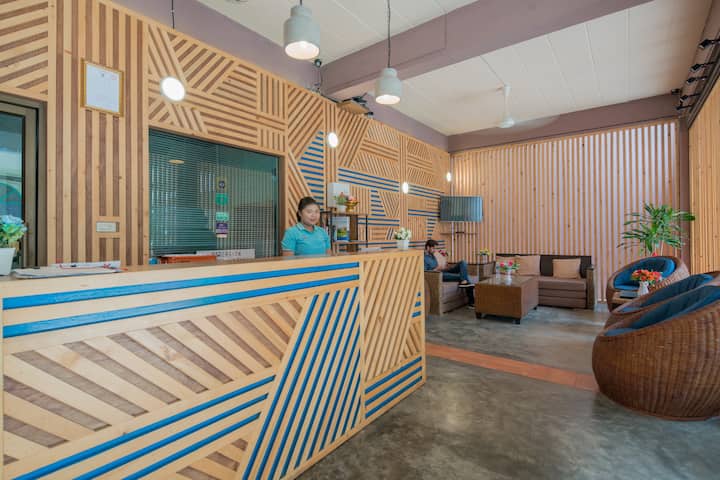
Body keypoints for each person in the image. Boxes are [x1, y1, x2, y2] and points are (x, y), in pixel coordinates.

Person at [424, 239, 475, 306]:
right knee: (465, 277)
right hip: (439, 274)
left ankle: (464, 281)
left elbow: (438, 265)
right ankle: (471, 301)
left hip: (443, 270)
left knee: (463, 262)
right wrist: (437, 269)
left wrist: (444, 266)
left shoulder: (433, 255)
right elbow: (425, 272)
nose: (435, 250)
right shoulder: (423, 258)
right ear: (428, 247)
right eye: (433, 248)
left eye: (435, 248)